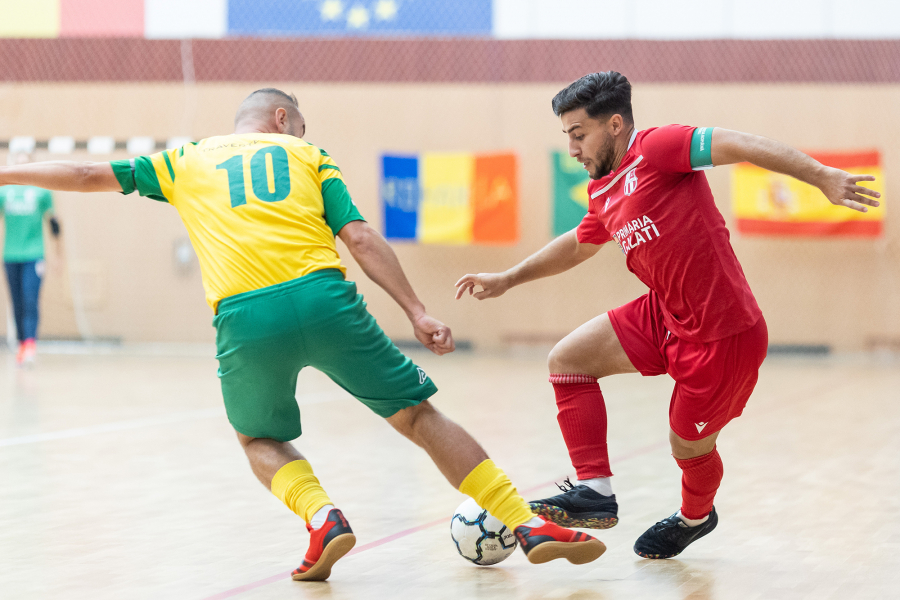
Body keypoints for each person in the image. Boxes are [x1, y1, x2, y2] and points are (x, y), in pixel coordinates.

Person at [0, 88, 605, 581]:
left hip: (244, 317)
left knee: (258, 438)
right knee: (420, 418)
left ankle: (323, 518)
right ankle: (524, 521)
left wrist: (6, 171)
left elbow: (83, 172)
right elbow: (362, 238)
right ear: (283, 119)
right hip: (326, 300)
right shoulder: (309, 156)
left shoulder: (184, 159)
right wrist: (417, 311)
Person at [455, 71, 880, 559]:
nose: (573, 149)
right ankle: (595, 492)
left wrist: (822, 175)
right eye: (567, 137)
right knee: (568, 359)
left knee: (688, 448)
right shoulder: (603, 189)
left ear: (615, 125)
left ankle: (695, 517)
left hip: (723, 335)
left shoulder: (658, 148)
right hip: (665, 313)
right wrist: (508, 278)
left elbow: (739, 143)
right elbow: (578, 244)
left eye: (579, 135)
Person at [0, 153, 62, 365]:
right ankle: (21, 343)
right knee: (16, 302)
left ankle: (30, 344)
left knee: (30, 299)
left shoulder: (41, 192)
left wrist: (58, 256)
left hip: (34, 255)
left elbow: (54, 224)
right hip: (10, 255)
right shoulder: (4, 192)